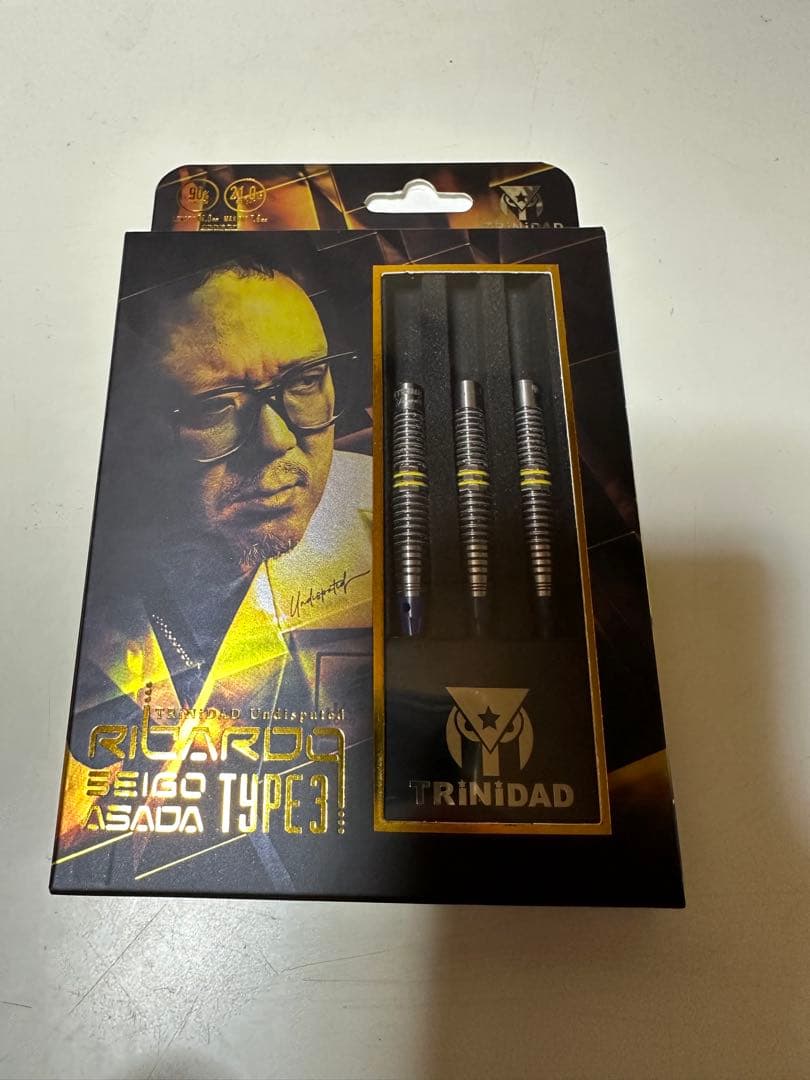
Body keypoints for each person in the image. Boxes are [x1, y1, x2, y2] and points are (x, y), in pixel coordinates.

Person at [55, 262, 373, 875]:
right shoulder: (76, 573)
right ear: (128, 429)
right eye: (215, 408)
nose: (277, 440)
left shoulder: (394, 522)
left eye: (306, 381)